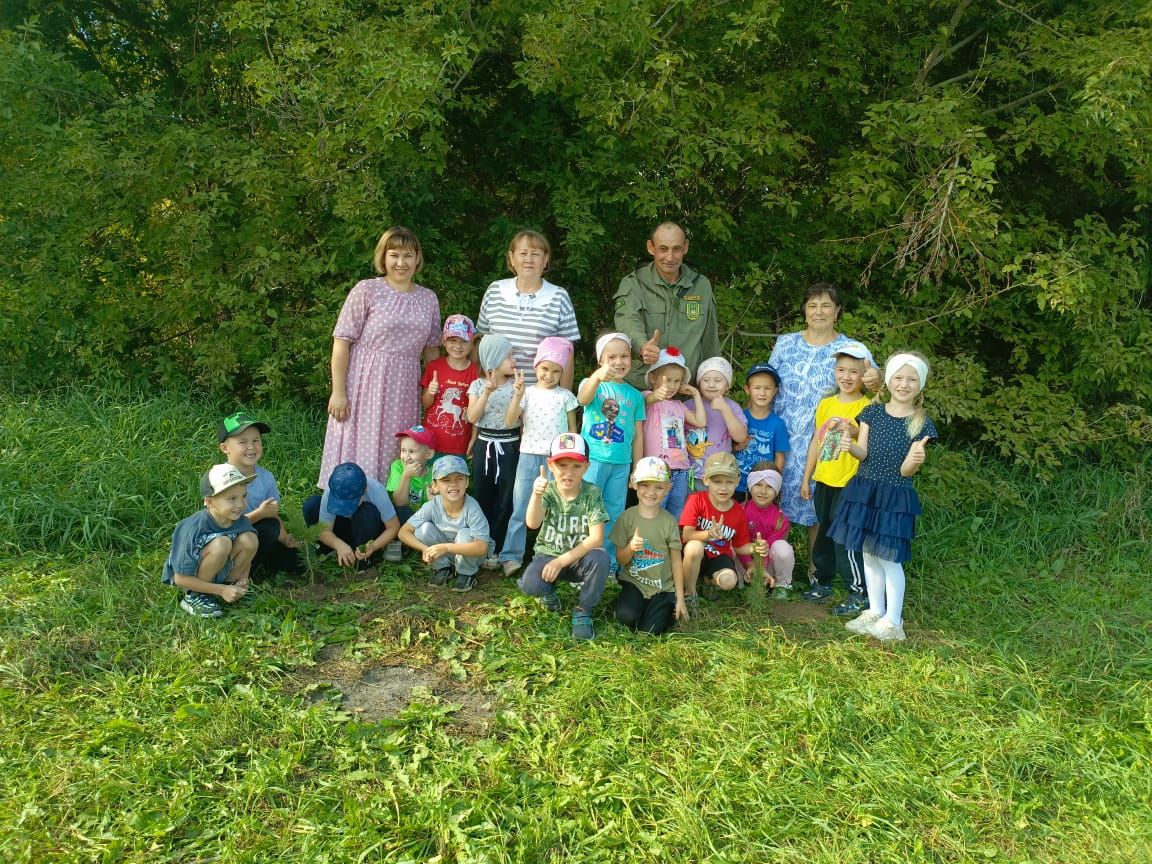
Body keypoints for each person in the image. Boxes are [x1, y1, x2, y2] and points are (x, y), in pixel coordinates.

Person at [318, 226, 441, 489]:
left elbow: (431, 351)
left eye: (408, 255)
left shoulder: (428, 299)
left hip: (404, 387)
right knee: (358, 443)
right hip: (364, 383)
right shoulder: (367, 290)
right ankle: (345, 509)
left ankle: (389, 512)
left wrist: (434, 397)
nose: (401, 263)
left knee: (396, 448)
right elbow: (341, 342)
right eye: (394, 255)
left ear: (417, 258)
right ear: (383, 257)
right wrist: (338, 391)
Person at [769, 282, 879, 568]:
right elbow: (768, 386)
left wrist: (876, 380)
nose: (819, 311)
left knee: (819, 506)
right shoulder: (785, 343)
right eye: (813, 305)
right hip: (784, 436)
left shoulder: (851, 348)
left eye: (826, 305)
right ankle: (770, 568)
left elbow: (875, 386)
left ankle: (817, 569)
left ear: (837, 311)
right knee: (772, 497)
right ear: (804, 311)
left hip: (829, 441)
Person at [831, 353, 937, 642]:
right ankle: (875, 611)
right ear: (888, 380)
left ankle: (894, 621)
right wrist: (848, 446)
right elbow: (862, 452)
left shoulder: (921, 423)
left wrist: (916, 459)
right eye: (899, 378)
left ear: (921, 385)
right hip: (865, 489)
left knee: (889, 558)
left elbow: (905, 471)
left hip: (893, 496)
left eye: (912, 379)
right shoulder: (872, 413)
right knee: (868, 553)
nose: (904, 384)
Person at [799, 342, 872, 611]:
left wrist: (853, 432)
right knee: (824, 534)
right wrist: (807, 478)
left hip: (850, 483)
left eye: (854, 371)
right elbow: (816, 443)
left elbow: (867, 446)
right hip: (824, 479)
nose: (846, 377)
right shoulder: (826, 404)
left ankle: (858, 591)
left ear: (864, 375)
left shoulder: (868, 408)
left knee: (846, 538)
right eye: (841, 370)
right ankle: (822, 583)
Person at [517, 433, 611, 641]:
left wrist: (562, 561)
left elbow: (596, 539)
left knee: (601, 557)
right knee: (529, 585)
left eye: (576, 466)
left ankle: (583, 611)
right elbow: (533, 523)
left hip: (579, 559)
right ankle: (548, 593)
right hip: (548, 555)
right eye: (562, 465)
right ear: (551, 466)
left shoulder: (591, 493)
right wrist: (536, 494)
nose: (568, 473)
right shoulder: (548, 490)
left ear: (586, 466)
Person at [502, 336, 579, 577]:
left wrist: (570, 462)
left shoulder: (566, 396)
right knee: (521, 505)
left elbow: (571, 431)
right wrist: (517, 395)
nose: (549, 375)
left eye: (556, 371)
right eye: (545, 369)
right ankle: (511, 556)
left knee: (555, 508)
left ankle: (547, 555)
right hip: (528, 457)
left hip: (556, 460)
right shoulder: (527, 393)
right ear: (536, 367)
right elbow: (509, 421)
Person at [614, 222, 721, 389]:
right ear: (651, 247)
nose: (670, 257)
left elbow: (710, 342)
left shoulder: (701, 285)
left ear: (685, 247)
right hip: (641, 391)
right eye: (663, 249)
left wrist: (714, 380)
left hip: (686, 391)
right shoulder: (634, 284)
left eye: (676, 249)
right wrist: (643, 347)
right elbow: (627, 322)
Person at [476, 229, 581, 391]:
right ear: (511, 258)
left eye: (536, 254)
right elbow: (481, 343)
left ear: (545, 259)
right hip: (495, 395)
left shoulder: (559, 296)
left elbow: (567, 353)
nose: (528, 260)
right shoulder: (494, 290)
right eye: (523, 253)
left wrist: (565, 400)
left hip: (539, 397)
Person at [577, 332, 646, 564]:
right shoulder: (592, 384)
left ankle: (607, 562)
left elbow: (638, 435)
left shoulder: (635, 396)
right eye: (612, 357)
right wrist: (597, 377)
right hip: (593, 459)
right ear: (601, 361)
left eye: (624, 356)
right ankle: (580, 560)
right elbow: (583, 400)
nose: (619, 362)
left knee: (614, 513)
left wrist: (637, 468)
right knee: (587, 510)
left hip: (622, 463)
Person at [162, 464, 257, 618]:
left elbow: (249, 557)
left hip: (221, 572)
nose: (241, 504)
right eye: (232, 498)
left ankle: (230, 587)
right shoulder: (192, 528)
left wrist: (243, 578)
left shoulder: (242, 521)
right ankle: (195, 596)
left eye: (244, 496)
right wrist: (220, 589)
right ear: (209, 502)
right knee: (222, 543)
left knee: (250, 539)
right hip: (191, 580)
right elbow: (180, 578)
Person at [216, 411, 300, 577]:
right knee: (269, 527)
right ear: (225, 448)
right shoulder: (220, 478)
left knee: (295, 562)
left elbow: (273, 513)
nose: (251, 447)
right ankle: (239, 576)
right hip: (230, 539)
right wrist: (260, 514)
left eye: (256, 440)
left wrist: (284, 537)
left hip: (259, 532)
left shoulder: (266, 477)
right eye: (242, 442)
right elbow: (221, 525)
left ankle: (262, 563)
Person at [679, 452, 767, 610]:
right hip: (693, 556)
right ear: (706, 480)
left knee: (729, 581)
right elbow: (686, 535)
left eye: (729, 482)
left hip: (719, 557)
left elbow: (740, 546)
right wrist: (708, 534)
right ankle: (689, 593)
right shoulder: (696, 500)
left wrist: (755, 547)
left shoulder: (738, 512)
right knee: (694, 547)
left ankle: (709, 582)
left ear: (737, 482)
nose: (723, 488)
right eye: (717, 482)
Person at [610, 457, 688, 635]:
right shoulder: (626, 518)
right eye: (645, 485)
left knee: (650, 631)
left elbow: (677, 562)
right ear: (634, 483)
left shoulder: (669, 522)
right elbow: (621, 559)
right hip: (634, 583)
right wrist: (630, 547)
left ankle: (665, 608)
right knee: (626, 617)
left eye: (658, 487)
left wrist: (680, 598)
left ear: (668, 488)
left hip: (663, 588)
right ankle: (630, 605)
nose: (651, 492)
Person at [466, 334, 521, 569]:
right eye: (508, 356)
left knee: (506, 497)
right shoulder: (478, 385)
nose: (513, 360)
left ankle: (497, 547)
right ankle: (481, 543)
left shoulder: (516, 386)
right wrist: (486, 393)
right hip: (485, 446)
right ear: (494, 359)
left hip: (509, 446)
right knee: (482, 495)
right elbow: (472, 417)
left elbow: (515, 421)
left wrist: (519, 394)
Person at [397, 455, 490, 592]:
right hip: (445, 550)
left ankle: (466, 573)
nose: (453, 484)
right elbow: (403, 532)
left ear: (467, 482)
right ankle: (442, 567)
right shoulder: (431, 505)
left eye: (459, 478)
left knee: (465, 534)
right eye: (445, 480)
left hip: (470, 554)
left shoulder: (472, 508)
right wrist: (424, 549)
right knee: (423, 529)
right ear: (435, 485)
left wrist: (446, 548)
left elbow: (481, 547)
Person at [641, 346, 706, 518]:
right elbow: (643, 403)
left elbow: (700, 422)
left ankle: (672, 543)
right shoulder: (647, 397)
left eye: (677, 381)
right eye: (667, 380)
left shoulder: (679, 406)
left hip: (682, 471)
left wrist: (696, 395)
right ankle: (651, 544)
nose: (671, 386)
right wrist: (657, 395)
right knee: (654, 511)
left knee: (676, 514)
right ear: (653, 378)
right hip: (657, 470)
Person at [302, 462, 401, 569]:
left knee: (367, 511)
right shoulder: (331, 491)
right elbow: (323, 529)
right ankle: (327, 550)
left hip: (365, 529)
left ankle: (362, 559)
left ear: (365, 489)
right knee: (311, 505)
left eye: (350, 503)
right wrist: (338, 544)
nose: (346, 510)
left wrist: (373, 546)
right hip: (342, 528)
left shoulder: (376, 490)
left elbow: (393, 527)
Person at [420, 314, 479, 457]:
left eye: (464, 341)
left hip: (459, 444)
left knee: (453, 478)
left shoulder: (475, 372)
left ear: (472, 344)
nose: (458, 346)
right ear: (443, 341)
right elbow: (425, 404)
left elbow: (477, 413)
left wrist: (474, 437)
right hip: (430, 443)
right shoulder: (434, 367)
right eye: (452, 340)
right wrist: (430, 393)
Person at [685, 357, 748, 483]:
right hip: (692, 474)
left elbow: (740, 437)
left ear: (728, 385)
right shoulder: (688, 405)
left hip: (721, 475)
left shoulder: (732, 407)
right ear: (699, 383)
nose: (711, 384)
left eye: (718, 380)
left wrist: (725, 409)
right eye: (706, 380)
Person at [737, 464, 794, 599]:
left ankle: (782, 586)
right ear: (750, 486)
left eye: (769, 486)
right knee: (730, 544)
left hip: (766, 567)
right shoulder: (739, 511)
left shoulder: (781, 519)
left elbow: (769, 550)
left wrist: (761, 570)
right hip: (743, 564)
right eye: (758, 485)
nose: (763, 491)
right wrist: (750, 566)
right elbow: (738, 543)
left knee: (782, 547)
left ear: (777, 490)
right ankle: (739, 581)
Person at [734, 362, 790, 497]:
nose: (762, 393)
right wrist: (736, 446)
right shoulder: (738, 417)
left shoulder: (778, 424)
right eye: (757, 388)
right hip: (735, 484)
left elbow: (779, 457)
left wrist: (774, 483)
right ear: (747, 389)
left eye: (767, 388)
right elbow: (727, 447)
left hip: (762, 489)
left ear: (775, 391)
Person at [384, 425, 437, 562]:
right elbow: (399, 502)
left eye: (412, 452)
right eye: (403, 451)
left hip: (422, 520)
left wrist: (433, 499)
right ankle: (397, 542)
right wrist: (406, 476)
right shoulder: (398, 467)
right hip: (403, 518)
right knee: (400, 511)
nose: (406, 457)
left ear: (429, 454)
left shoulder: (434, 474)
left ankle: (422, 545)